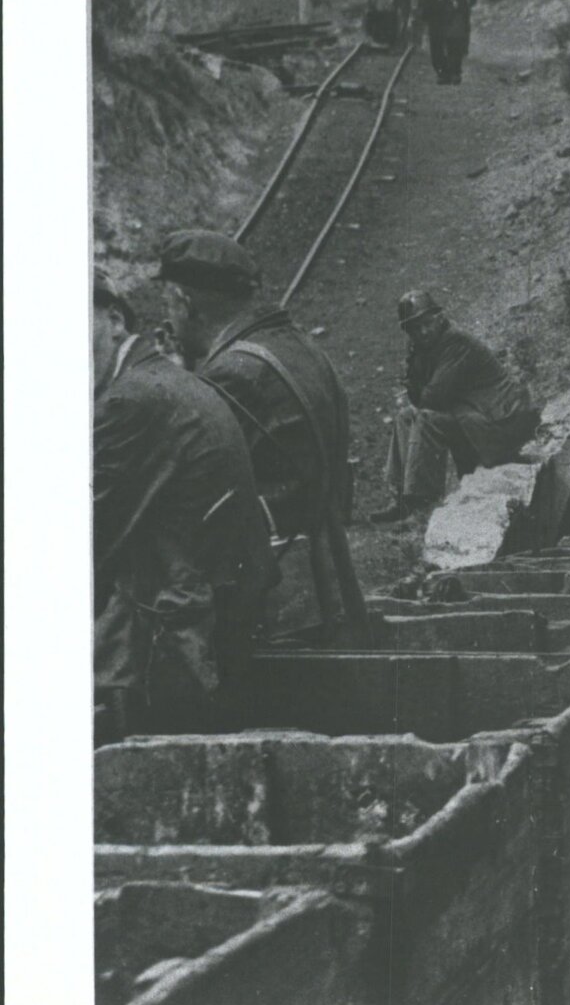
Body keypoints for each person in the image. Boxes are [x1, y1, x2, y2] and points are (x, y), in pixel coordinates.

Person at [156, 230, 367, 646]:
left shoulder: (234, 374)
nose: (169, 320)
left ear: (185, 302)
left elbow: (190, 492)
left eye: (168, 305)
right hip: (328, 578)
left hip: (275, 604)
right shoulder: (297, 346)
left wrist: (173, 388)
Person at [95, 267, 275, 745]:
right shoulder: (162, 379)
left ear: (114, 319)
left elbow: (90, 536)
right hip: (223, 606)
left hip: (179, 633)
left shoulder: (128, 400)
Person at [372, 290, 540, 523]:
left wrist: (414, 380)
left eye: (427, 323)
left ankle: (422, 504)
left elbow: (432, 397)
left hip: (501, 425)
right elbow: (418, 397)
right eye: (414, 329)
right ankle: (401, 499)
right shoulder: (423, 348)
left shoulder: (455, 341)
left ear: (439, 317)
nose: (423, 332)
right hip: (473, 418)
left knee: (425, 418)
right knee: (405, 417)